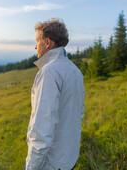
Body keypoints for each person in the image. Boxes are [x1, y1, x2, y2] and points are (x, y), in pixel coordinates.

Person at [24, 18, 85, 170]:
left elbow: (41, 132)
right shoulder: (75, 71)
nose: (35, 46)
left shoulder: (48, 73)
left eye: (38, 41)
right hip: (70, 158)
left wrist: (31, 167)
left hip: (51, 163)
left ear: (48, 43)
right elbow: (80, 113)